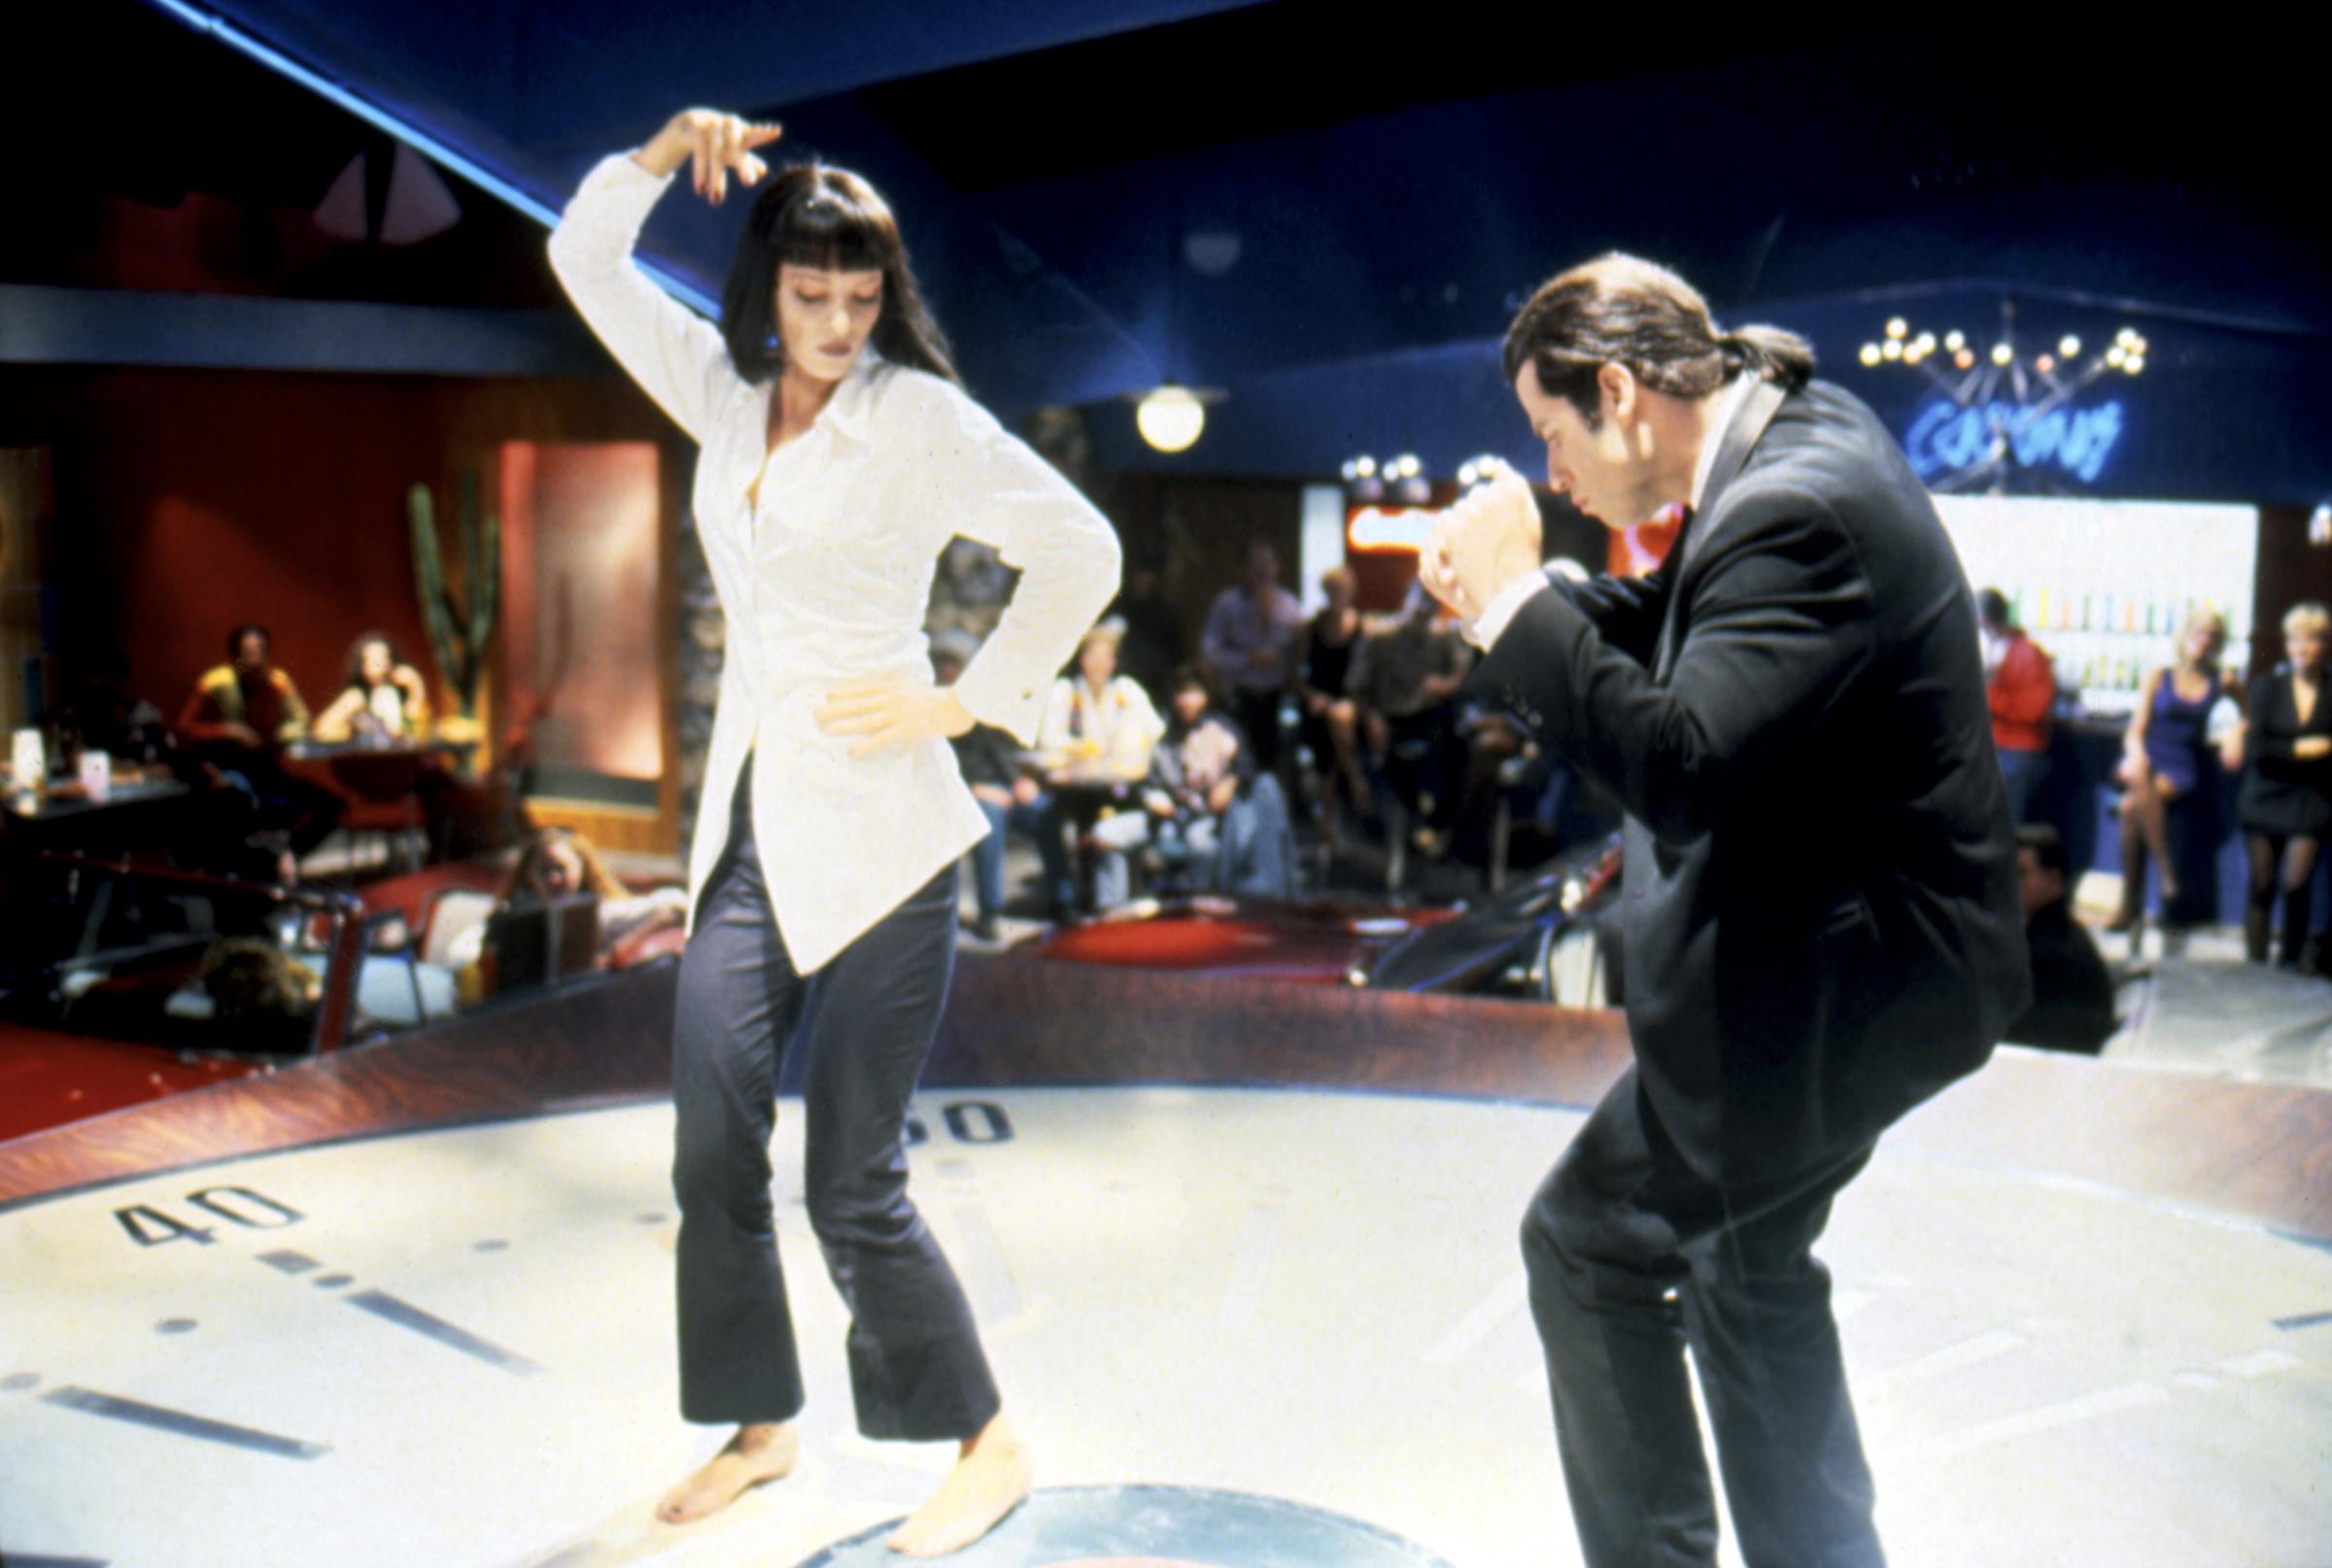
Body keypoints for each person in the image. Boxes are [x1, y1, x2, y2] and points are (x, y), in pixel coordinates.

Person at [548, 108, 1118, 1553]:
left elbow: (1082, 547)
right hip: (752, 828)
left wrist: (969, 698)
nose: (838, 323)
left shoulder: (916, 417)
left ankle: (985, 1438)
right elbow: (582, 255)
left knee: (851, 1182)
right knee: (709, 1143)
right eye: (812, 297)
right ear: (765, 288)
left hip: (886, 847)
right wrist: (667, 148)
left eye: (862, 299)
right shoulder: (722, 392)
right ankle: (762, 1425)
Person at [1422, 253, 2025, 1568]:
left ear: (1623, 391)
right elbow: (1700, 626)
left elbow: (1686, 765)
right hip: (1842, 960)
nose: (1557, 472)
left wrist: (1527, 594)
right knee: (1718, 1267)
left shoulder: (1796, 505)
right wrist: (1531, 610)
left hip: (1850, 986)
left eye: (1553, 431)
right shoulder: (1783, 432)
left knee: (1607, 1248)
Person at [176, 624, 341, 880]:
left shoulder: (276, 681)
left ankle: (290, 856)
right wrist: (226, 731)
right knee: (234, 807)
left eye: (260, 651)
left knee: (330, 804)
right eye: (247, 652)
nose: (255, 658)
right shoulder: (215, 682)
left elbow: (301, 720)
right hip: (227, 766)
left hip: (264, 767)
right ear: (234, 656)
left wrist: (283, 733)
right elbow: (184, 728)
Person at [2110, 608, 2229, 932]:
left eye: (2212, 637)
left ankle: (2131, 903)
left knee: (2129, 805)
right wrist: (2135, 754)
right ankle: (2164, 873)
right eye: (2198, 633)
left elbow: (2246, 718)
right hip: (2149, 759)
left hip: (2182, 765)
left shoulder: (2223, 680)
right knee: (2129, 802)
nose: (2203, 641)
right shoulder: (2159, 676)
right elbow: (2136, 729)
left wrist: (2237, 736)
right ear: (2185, 636)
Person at [2230, 601, 2332, 969]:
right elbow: (2257, 748)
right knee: (2262, 881)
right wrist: (2302, 748)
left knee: (2296, 882)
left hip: (2311, 799)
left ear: (2325, 643)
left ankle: (2289, 962)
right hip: (2266, 796)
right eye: (2294, 641)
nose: (2301, 649)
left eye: (2310, 641)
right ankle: (2255, 966)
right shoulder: (2267, 688)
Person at [1035, 625, 1164, 911]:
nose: (1099, 665)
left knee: (1121, 819)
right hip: (1076, 784)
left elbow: (1154, 730)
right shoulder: (1066, 692)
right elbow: (1049, 739)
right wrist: (1081, 748)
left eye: (1106, 658)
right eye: (1092, 657)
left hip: (1121, 782)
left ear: (1114, 662)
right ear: (1082, 659)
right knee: (1074, 821)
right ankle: (1081, 895)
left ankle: (1120, 895)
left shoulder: (1125, 690)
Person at [1141, 665, 1291, 897]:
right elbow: (1153, 781)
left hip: (1217, 817)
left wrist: (1229, 782)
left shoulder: (1220, 728)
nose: (1186, 701)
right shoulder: (1167, 737)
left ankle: (1206, 897)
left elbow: (1246, 765)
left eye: (1193, 693)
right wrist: (1156, 798)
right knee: (1166, 840)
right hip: (1178, 815)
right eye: (1181, 694)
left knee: (1200, 842)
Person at [2006, 824, 2117, 1051]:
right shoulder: (2052, 936)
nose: (2009, 884)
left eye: (2021, 874)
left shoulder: (2052, 952)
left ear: (2054, 881)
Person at [1197, 541, 1304, 775]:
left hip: (1278, 698)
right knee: (1240, 762)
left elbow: (1300, 652)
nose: (1264, 571)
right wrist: (1248, 659)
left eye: (1269, 564)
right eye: (1257, 566)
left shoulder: (1290, 606)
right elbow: (1209, 653)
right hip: (1239, 695)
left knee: (1279, 764)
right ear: (1244, 570)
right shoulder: (1226, 604)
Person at [1294, 564, 1370, 822]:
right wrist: (1311, 697)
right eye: (1333, 590)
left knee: (1340, 719)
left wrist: (1355, 702)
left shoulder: (1363, 627)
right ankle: (1355, 781)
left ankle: (1339, 805)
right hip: (1319, 703)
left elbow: (1369, 674)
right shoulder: (1311, 629)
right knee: (1330, 728)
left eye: (1343, 590)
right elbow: (1297, 676)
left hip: (1354, 703)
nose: (1338, 595)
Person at [1977, 587, 2054, 822]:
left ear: (1985, 620)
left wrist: (1990, 696)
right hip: (1998, 747)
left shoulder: (2027, 654)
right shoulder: (1999, 652)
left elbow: (2035, 709)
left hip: (2019, 751)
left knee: (2005, 825)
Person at [313, 632, 432, 743]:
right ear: (363, 666)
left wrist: (416, 684)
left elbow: (421, 736)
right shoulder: (358, 696)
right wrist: (351, 730)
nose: (382, 665)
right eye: (374, 660)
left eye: (385, 658)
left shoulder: (403, 693)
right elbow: (322, 730)